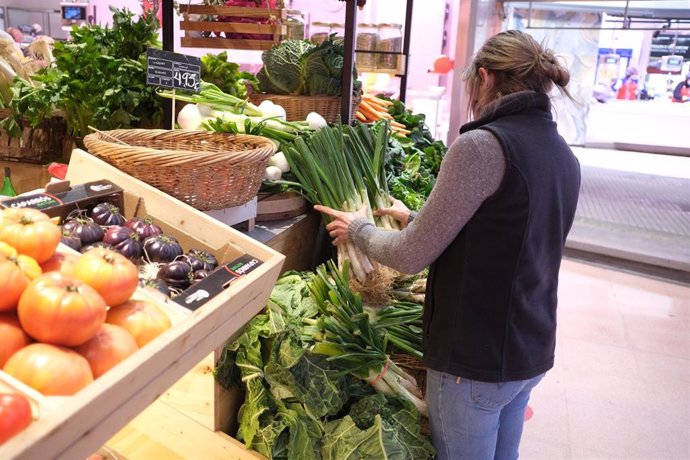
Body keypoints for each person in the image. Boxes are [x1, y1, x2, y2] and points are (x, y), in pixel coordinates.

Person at [315, 29, 581, 460]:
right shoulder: (559, 152)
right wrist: (418, 219)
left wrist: (359, 230)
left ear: (486, 77)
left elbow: (409, 255)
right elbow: (507, 233)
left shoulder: (481, 146)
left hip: (474, 360)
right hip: (528, 349)